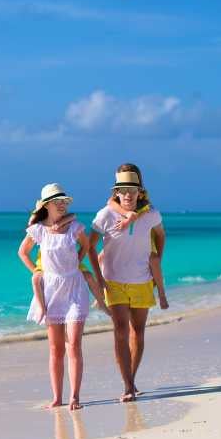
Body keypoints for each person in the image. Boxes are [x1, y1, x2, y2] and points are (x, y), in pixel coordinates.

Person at [88, 166, 167, 402]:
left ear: (139, 192)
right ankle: (128, 386)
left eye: (132, 190)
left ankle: (131, 379)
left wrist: (157, 260)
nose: (128, 195)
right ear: (117, 193)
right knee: (121, 331)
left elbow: (161, 235)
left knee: (138, 333)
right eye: (123, 191)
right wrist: (98, 277)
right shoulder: (105, 215)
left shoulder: (152, 214)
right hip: (114, 282)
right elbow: (90, 246)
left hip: (142, 282)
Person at [18, 183, 97, 410]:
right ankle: (57, 397)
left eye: (64, 201)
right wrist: (37, 271)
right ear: (46, 206)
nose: (61, 205)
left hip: (74, 288)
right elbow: (22, 252)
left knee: (74, 344)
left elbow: (86, 246)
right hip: (51, 290)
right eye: (57, 202)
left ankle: (75, 397)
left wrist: (75, 264)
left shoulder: (75, 227)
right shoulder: (38, 230)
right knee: (55, 349)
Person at [102, 164, 169, 309]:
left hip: (143, 237)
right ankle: (103, 291)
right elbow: (110, 202)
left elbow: (144, 210)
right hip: (126, 236)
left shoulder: (142, 196)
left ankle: (162, 294)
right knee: (102, 256)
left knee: (154, 260)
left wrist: (129, 219)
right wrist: (127, 215)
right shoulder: (116, 196)